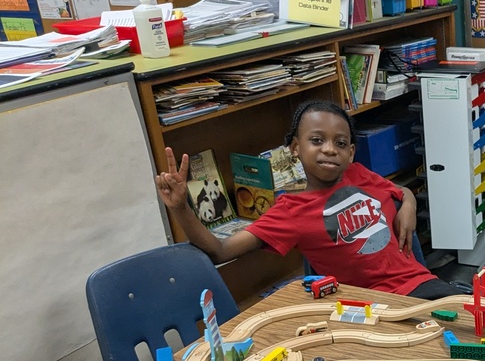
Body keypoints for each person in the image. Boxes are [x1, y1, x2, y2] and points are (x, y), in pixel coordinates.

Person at [154, 100, 460, 300]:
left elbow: (400, 192)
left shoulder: (358, 173)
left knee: (481, 325)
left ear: (351, 152)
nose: (329, 149)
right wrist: (181, 208)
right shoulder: (291, 211)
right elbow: (220, 250)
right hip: (372, 308)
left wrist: (409, 205)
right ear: (295, 148)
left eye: (340, 143)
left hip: (420, 285)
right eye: (317, 140)